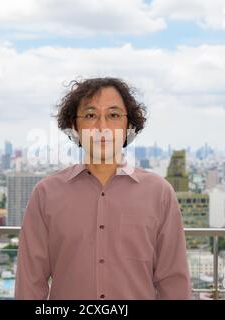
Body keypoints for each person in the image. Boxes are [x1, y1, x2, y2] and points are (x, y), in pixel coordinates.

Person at [15, 77, 192, 300]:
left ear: (129, 126)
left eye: (114, 115)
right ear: (74, 126)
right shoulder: (46, 194)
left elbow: (173, 281)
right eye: (90, 115)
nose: (102, 127)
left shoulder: (159, 193)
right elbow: (31, 282)